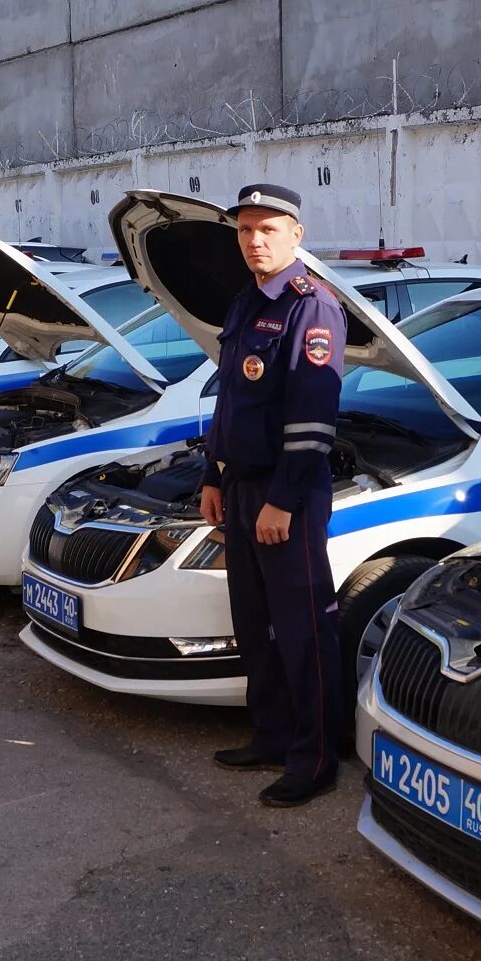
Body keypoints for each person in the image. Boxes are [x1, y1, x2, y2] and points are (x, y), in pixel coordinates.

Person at [199, 185, 350, 808]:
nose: (255, 240)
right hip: (239, 484)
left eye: (268, 229)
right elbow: (231, 400)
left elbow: (312, 415)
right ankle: (271, 732)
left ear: (297, 233)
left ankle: (315, 757)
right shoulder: (243, 303)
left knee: (302, 627)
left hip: (288, 490)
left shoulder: (310, 308)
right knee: (252, 622)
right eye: (244, 230)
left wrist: (282, 501)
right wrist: (212, 473)